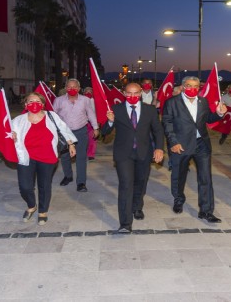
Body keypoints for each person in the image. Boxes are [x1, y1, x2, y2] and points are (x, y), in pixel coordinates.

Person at [101, 83, 165, 233]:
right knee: (126, 185)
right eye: (129, 94)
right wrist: (110, 121)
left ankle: (137, 207)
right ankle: (125, 223)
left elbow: (158, 130)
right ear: (124, 93)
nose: (132, 97)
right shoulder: (116, 109)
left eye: (136, 93)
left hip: (144, 152)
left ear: (141, 93)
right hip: (124, 154)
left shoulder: (150, 109)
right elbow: (105, 132)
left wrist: (159, 148)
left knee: (141, 183)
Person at [162, 76, 227, 223]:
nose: (193, 89)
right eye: (189, 86)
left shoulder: (203, 101)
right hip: (181, 145)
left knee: (205, 178)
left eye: (196, 86)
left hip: (201, 144)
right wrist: (173, 142)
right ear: (183, 87)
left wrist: (219, 113)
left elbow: (208, 119)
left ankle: (206, 211)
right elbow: (167, 123)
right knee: (179, 175)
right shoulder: (172, 102)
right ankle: (178, 199)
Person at [11, 92, 77, 225]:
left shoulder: (51, 116)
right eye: (30, 101)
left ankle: (42, 211)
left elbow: (63, 129)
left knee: (44, 185)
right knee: (25, 186)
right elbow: (8, 137)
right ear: (25, 104)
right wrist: (12, 136)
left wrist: (71, 144)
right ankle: (31, 205)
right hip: (25, 157)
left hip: (47, 156)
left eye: (37, 101)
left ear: (42, 104)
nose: (34, 104)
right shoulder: (18, 120)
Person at [53, 78, 99, 192]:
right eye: (69, 87)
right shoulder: (59, 100)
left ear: (79, 89)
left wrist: (95, 127)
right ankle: (68, 176)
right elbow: (54, 116)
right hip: (64, 132)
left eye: (74, 87)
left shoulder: (85, 100)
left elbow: (91, 113)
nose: (72, 89)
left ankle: (81, 182)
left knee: (81, 157)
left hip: (81, 131)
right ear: (65, 88)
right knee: (64, 156)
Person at [82, 86, 97, 161]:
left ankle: (91, 154)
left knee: (92, 139)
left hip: (92, 123)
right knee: (82, 139)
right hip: (82, 123)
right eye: (86, 91)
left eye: (90, 91)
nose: (88, 92)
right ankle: (82, 152)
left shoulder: (95, 101)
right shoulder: (80, 100)